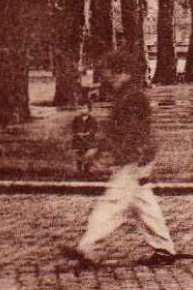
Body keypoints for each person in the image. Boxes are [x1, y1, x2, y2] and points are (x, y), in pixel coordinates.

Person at [70, 51, 179, 267]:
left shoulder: (130, 97)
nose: (106, 77)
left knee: (112, 204)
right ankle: (165, 250)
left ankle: (88, 247)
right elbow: (120, 130)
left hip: (134, 159)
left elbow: (127, 132)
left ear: (119, 73)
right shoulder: (129, 94)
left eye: (108, 72)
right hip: (138, 158)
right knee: (144, 205)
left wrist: (106, 153)